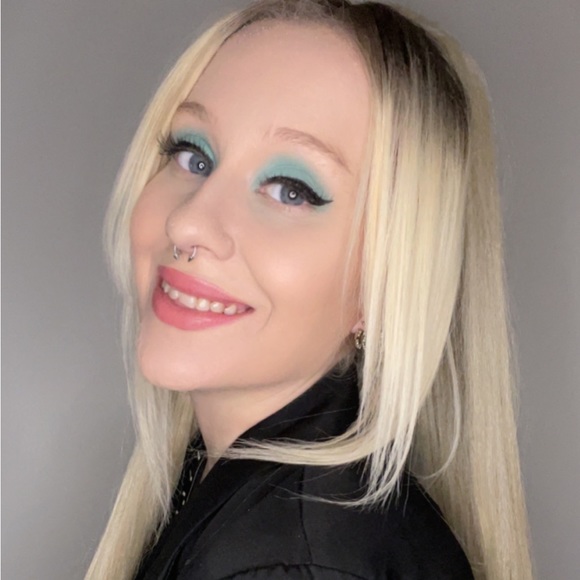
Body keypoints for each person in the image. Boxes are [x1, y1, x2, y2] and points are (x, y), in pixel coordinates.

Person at [86, 1, 534, 578]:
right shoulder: (263, 503)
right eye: (193, 155)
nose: (188, 223)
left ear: (384, 282)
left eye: (290, 190)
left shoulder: (283, 560)